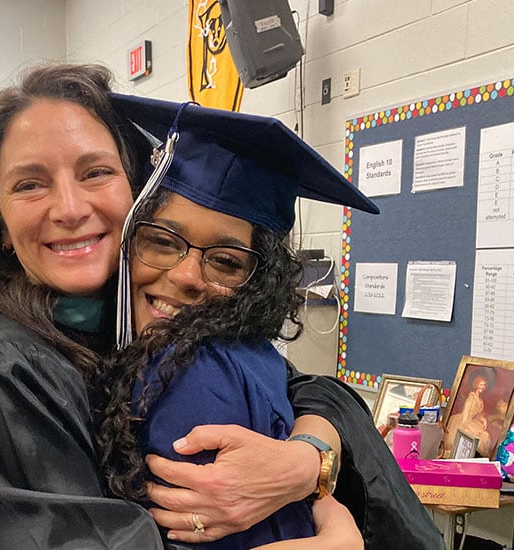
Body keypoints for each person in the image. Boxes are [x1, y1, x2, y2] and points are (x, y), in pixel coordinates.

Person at [0, 62, 360, 549]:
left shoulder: (137, 331)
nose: (69, 208)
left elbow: (311, 393)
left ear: (138, 190)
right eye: (29, 184)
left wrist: (308, 458)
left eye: (96, 172)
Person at [101, 93, 445, 550]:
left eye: (224, 260)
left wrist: (310, 462)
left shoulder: (191, 374)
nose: (185, 276)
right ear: (129, 236)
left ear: (257, 279)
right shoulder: (230, 353)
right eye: (163, 241)